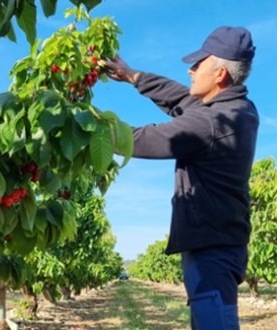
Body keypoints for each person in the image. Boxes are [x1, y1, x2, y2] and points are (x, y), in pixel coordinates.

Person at [102, 26, 259, 329]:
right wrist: (133, 75)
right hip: (222, 244)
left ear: (220, 74)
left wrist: (82, 127)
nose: (191, 69)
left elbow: (146, 139)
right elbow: (180, 97)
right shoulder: (239, 108)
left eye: (199, 64)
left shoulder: (211, 122)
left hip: (211, 252)